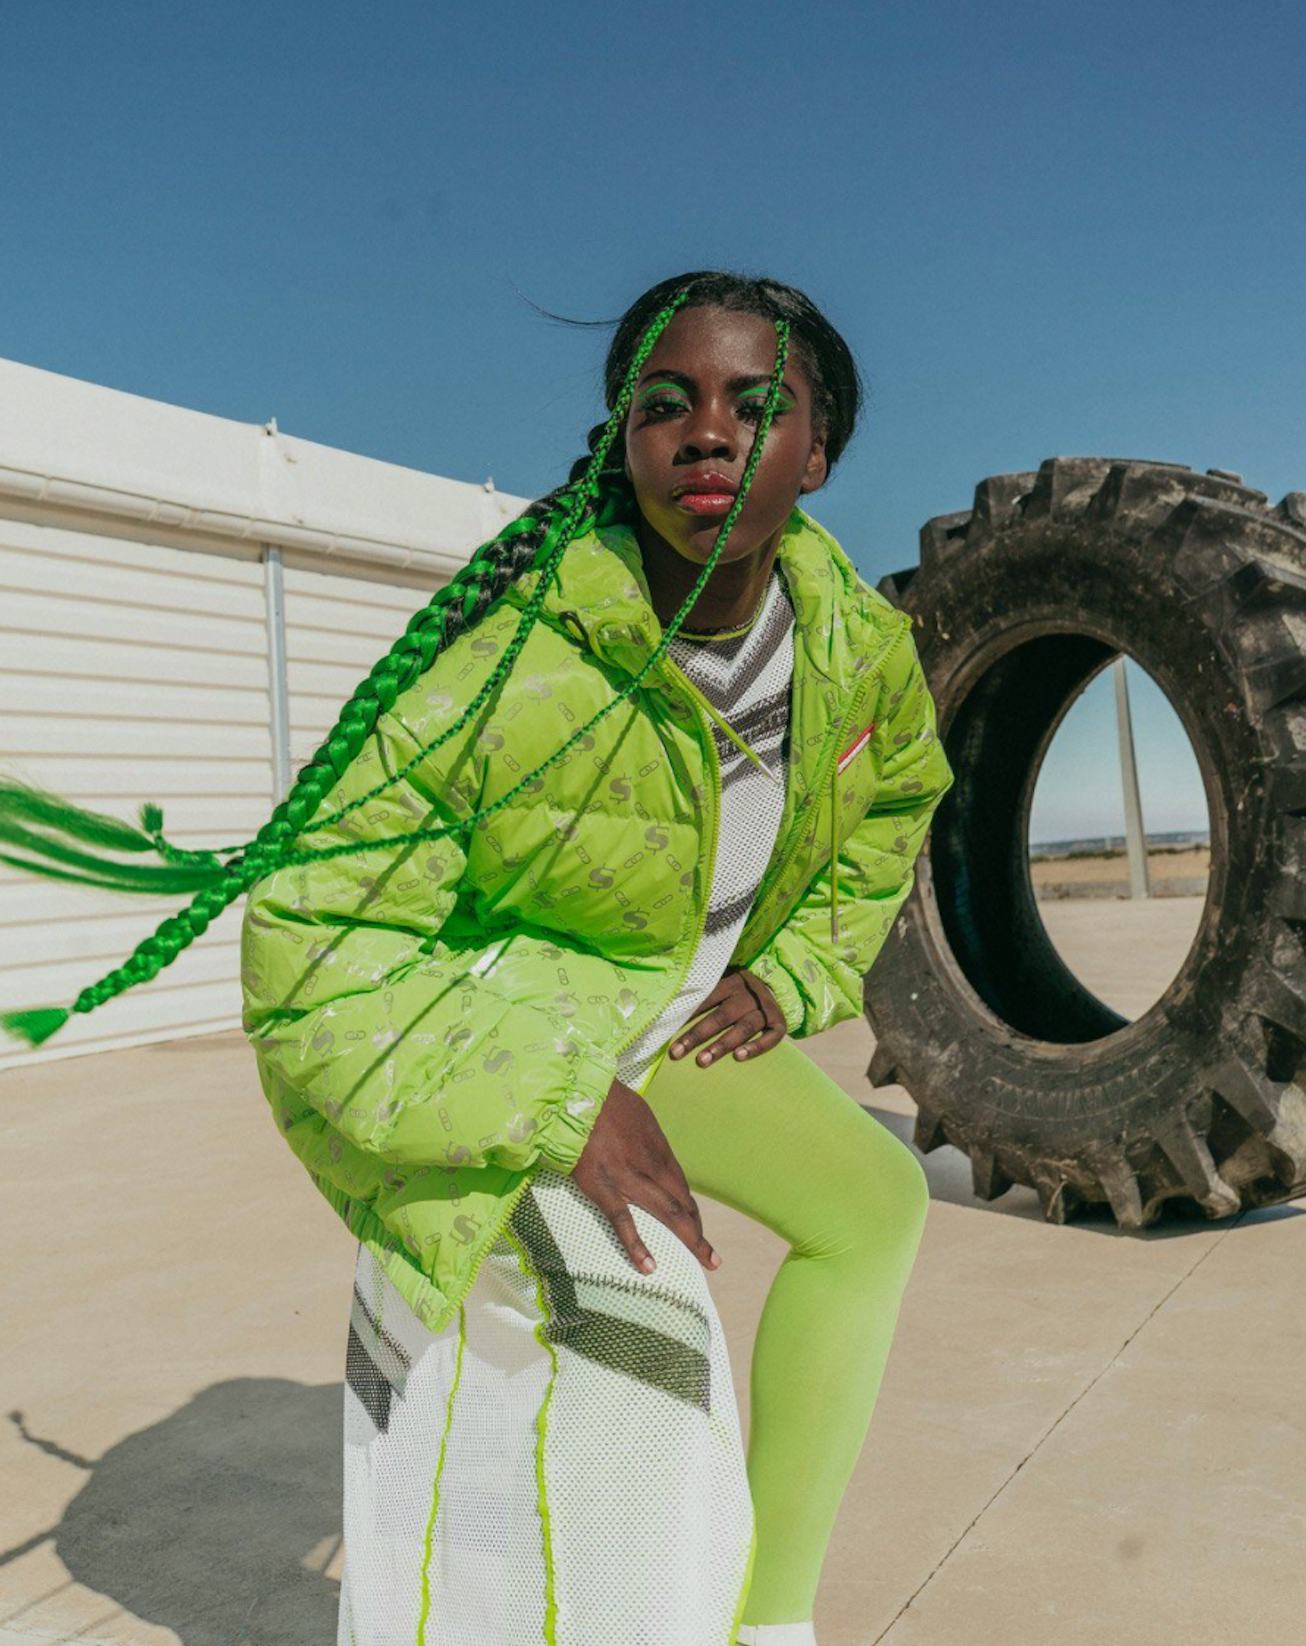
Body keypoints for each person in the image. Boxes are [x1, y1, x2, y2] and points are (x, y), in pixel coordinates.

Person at [1, 269, 955, 1646]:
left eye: (757, 406)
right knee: (647, 1331)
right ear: (621, 443)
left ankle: (768, 1623)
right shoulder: (511, 656)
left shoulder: (860, 651)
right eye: (663, 404)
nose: (706, 433)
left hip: (666, 1022)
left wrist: (790, 971)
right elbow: (313, 940)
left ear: (817, 451)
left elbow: (885, 814)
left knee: (874, 1201)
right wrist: (559, 1100)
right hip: (493, 1033)